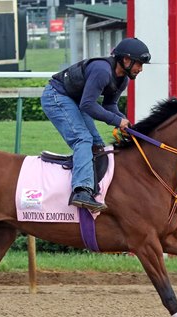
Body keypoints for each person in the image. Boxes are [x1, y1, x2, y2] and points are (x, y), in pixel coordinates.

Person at [40, 37, 151, 212]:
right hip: (57, 96)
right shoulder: (102, 71)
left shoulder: (123, 79)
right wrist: (117, 121)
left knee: (97, 144)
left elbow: (109, 105)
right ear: (126, 60)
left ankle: (95, 189)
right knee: (83, 139)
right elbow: (88, 105)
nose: (141, 69)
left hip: (76, 99)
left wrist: (125, 122)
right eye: (139, 64)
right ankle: (81, 191)